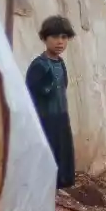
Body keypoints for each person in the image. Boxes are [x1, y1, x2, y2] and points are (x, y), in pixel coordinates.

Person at [26, 15, 76, 190]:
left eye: (64, 37)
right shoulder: (39, 66)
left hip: (60, 120)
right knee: (43, 163)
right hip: (44, 121)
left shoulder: (60, 64)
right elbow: (30, 96)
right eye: (54, 37)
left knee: (59, 161)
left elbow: (62, 89)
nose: (60, 42)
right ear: (44, 38)